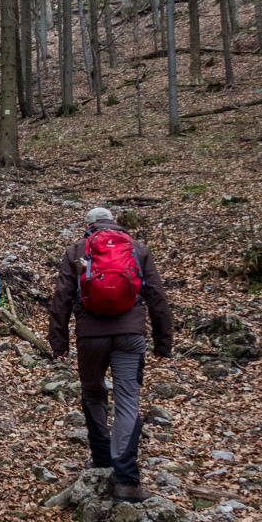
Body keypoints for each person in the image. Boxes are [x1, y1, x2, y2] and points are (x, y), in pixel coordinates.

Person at [48, 206, 172, 502]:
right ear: (115, 223)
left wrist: (59, 343)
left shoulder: (77, 250)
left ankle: (102, 459)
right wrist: (163, 343)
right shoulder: (138, 249)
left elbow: (62, 298)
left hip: (90, 336)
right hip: (130, 334)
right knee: (128, 400)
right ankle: (126, 480)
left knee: (93, 393)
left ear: (87, 226)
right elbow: (156, 296)